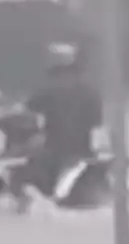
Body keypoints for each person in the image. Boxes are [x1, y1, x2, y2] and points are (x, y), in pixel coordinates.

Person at [25, 40, 103, 194]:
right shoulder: (91, 92)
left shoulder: (48, 92)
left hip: (56, 151)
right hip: (85, 150)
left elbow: (26, 110)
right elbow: (98, 124)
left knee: (32, 163)